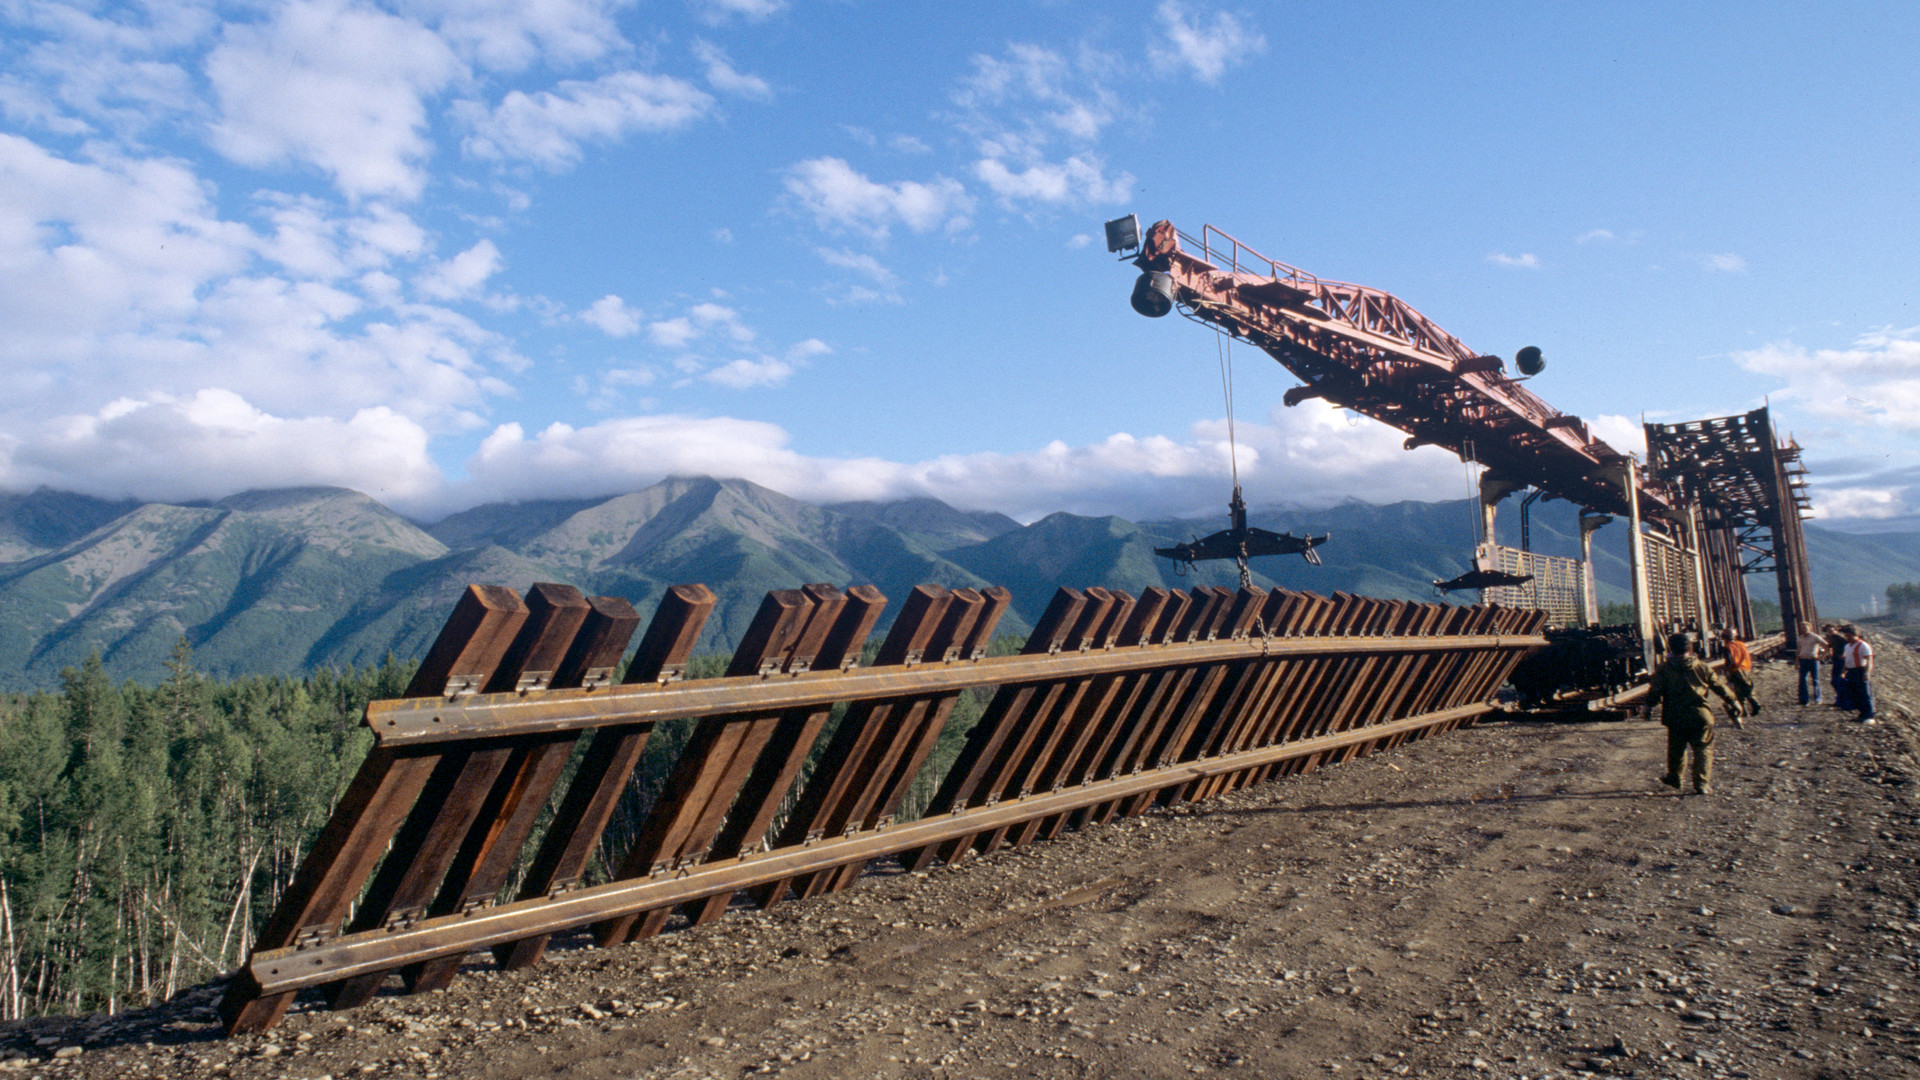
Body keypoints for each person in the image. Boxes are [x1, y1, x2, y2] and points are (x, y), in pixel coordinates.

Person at [1647, 632, 1742, 795]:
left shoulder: (1664, 669)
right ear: (1690, 647)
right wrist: (1733, 701)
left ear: (1671, 648)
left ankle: (1675, 778)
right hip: (1700, 715)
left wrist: (1647, 707)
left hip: (1675, 715)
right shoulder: (1702, 667)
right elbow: (1719, 686)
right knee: (1703, 748)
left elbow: (1655, 691)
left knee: (1677, 748)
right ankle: (1702, 784)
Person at [1720, 628, 1760, 716]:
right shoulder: (1741, 644)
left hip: (1735, 670)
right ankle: (1752, 705)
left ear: (1724, 637)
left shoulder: (1727, 647)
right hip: (1746, 668)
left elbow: (1729, 662)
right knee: (1746, 687)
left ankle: (1747, 709)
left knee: (1738, 691)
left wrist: (1726, 670)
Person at [1841, 625, 1876, 722]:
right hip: (1851, 671)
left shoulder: (1863, 645)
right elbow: (1847, 659)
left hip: (1860, 670)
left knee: (1864, 693)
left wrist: (1867, 673)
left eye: (1849, 636)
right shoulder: (1847, 646)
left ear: (1855, 635)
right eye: (1846, 636)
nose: (1847, 638)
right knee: (1855, 693)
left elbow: (1869, 660)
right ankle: (1862, 713)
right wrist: (1844, 670)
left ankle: (1869, 715)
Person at [1796, 621, 1828, 706]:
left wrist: (1821, 657)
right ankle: (1804, 700)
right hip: (1803, 660)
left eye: (1805, 628)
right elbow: (1798, 650)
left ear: (1809, 628)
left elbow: (1826, 645)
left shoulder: (1815, 637)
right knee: (1802, 680)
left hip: (1813, 660)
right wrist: (1797, 662)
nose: (1804, 630)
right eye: (1802, 628)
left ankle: (1818, 698)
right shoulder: (1800, 638)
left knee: (1815, 680)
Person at [1825, 623, 1851, 710]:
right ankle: (1840, 699)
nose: (1830, 632)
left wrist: (1844, 654)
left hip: (1841, 660)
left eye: (1832, 630)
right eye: (1829, 630)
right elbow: (1829, 646)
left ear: (1835, 630)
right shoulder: (1831, 638)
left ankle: (1843, 700)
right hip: (1836, 660)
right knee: (1835, 681)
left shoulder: (1839, 637)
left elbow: (1848, 645)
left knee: (1838, 680)